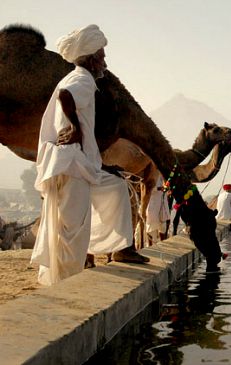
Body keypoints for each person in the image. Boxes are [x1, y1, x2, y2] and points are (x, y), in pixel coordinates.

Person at [31, 25, 147, 286]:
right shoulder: (81, 79)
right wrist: (73, 126)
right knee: (73, 230)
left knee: (116, 186)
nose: (105, 61)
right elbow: (65, 96)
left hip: (79, 163)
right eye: (102, 56)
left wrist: (105, 168)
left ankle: (120, 247)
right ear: (93, 59)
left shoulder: (79, 78)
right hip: (70, 166)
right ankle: (66, 283)